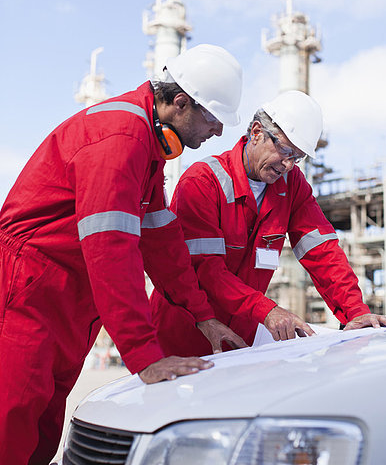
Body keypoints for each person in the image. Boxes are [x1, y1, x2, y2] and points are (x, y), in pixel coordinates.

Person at [0, 44, 247, 465]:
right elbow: (110, 248)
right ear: (180, 102)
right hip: (32, 287)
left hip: (68, 296)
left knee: (42, 426)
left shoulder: (146, 148)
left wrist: (204, 316)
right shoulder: (121, 137)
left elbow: (162, 242)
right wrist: (144, 356)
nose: (219, 133)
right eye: (213, 118)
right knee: (12, 421)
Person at [151, 90, 386, 356]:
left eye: (297, 157)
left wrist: (355, 312)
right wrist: (265, 309)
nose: (289, 165)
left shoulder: (291, 185)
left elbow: (322, 251)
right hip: (183, 332)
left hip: (241, 339)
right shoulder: (203, 181)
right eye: (284, 150)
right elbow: (205, 269)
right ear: (256, 132)